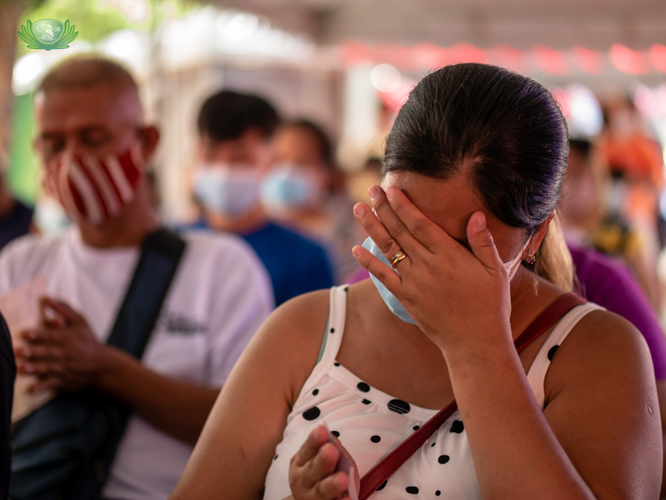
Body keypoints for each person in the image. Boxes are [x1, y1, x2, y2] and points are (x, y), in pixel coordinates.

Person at [171, 63, 662, 499]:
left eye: (462, 247)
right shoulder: (304, 330)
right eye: (401, 227)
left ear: (534, 238)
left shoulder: (599, 352)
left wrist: (477, 346)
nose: (420, 265)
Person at [0, 56, 273, 499]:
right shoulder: (20, 265)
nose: (72, 159)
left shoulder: (221, 268)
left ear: (145, 142)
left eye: (92, 138)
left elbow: (251, 429)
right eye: (53, 143)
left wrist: (106, 369)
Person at [191, 91, 334, 306]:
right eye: (211, 156)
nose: (224, 169)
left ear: (272, 160)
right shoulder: (170, 247)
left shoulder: (305, 258)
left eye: (241, 158)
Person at [262, 120, 358, 282]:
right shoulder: (258, 225)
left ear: (326, 171)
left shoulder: (343, 237)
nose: (287, 170)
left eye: (301, 162)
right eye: (279, 160)